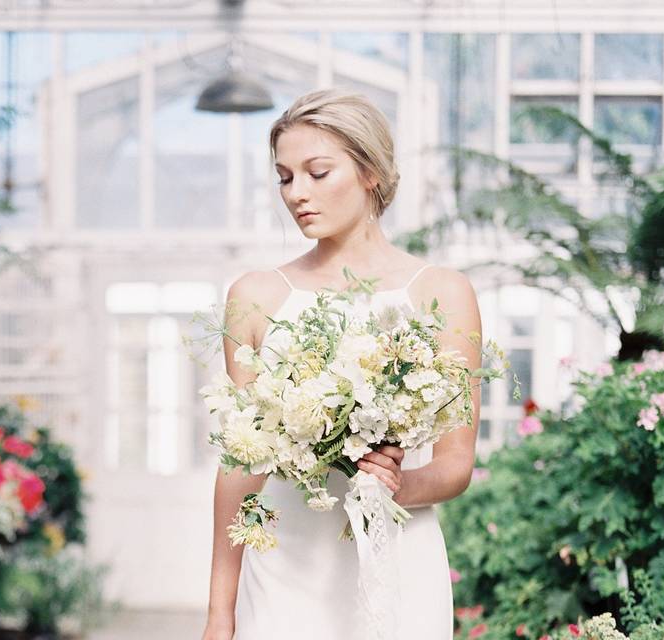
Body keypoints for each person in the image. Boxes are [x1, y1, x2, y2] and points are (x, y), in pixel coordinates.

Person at [201, 89, 482, 640]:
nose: (296, 193)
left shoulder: (443, 294)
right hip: (285, 563)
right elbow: (240, 465)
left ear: (371, 172)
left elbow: (456, 464)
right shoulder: (255, 295)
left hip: (398, 558)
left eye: (317, 172)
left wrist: (397, 484)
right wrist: (219, 614)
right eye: (285, 177)